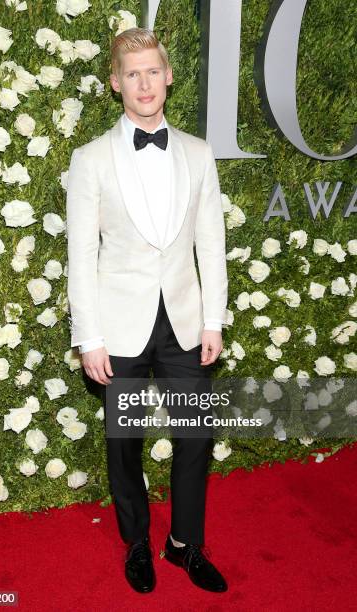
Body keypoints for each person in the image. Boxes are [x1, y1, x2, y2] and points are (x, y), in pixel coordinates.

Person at [66, 27, 228, 594]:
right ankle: (136, 540)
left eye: (152, 70)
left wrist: (214, 319)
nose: (144, 82)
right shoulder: (90, 160)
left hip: (185, 319)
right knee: (124, 440)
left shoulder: (198, 152)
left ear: (168, 77)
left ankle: (184, 544)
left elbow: (211, 241)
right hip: (120, 324)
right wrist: (89, 336)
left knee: (196, 435)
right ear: (116, 83)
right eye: (132, 73)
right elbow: (81, 255)